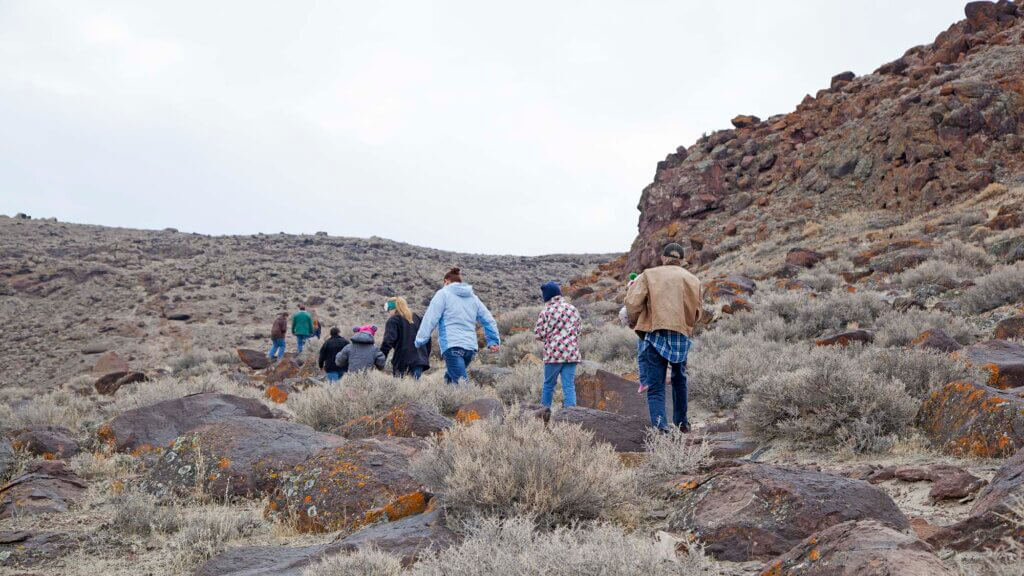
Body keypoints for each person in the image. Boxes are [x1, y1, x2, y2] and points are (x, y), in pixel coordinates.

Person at [624, 243, 703, 432]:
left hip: (654, 334)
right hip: (680, 334)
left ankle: (661, 428)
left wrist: (635, 323)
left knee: (656, 385)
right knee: (679, 378)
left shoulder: (648, 275)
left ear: (663, 258)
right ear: (682, 261)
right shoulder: (693, 280)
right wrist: (686, 324)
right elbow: (698, 312)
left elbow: (632, 304)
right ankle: (682, 422)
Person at [415, 267, 500, 384]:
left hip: (452, 346)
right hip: (470, 348)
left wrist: (420, 339)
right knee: (451, 378)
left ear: (446, 281)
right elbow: (488, 320)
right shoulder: (473, 298)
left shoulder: (443, 294)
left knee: (461, 384)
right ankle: (446, 399)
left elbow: (430, 318)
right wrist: (493, 341)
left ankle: (471, 400)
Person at [534, 281, 582, 408]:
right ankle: (571, 417)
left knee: (549, 385)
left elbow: (538, 334)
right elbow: (578, 330)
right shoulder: (572, 309)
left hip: (553, 355)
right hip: (571, 353)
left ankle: (544, 414)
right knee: (569, 386)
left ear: (547, 296)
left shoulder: (546, 311)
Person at [380, 296, 431, 379]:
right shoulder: (418, 318)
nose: (388, 312)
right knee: (415, 388)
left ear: (393, 308)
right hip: (419, 360)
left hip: (402, 361)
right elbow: (427, 338)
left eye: (388, 309)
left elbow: (388, 341)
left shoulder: (393, 320)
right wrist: (425, 356)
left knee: (401, 388)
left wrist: (381, 358)